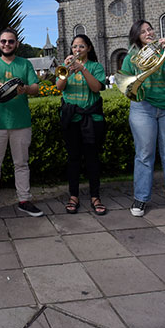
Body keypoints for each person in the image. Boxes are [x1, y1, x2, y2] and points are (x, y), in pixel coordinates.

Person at [120, 21, 165, 219]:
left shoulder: (164, 52)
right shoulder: (131, 57)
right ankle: (141, 198)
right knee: (144, 155)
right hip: (143, 108)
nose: (148, 32)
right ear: (136, 35)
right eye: (143, 31)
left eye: (150, 29)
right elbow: (124, 83)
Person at [0, 28, 42, 218]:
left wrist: (26, 89)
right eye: (3, 41)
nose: (7, 44)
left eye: (11, 41)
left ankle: (24, 199)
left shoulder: (25, 64)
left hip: (21, 122)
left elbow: (36, 88)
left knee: (21, 163)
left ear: (17, 44)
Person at [55, 34, 107, 215]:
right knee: (73, 159)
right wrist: (67, 69)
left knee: (92, 159)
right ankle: (73, 196)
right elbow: (59, 87)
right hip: (72, 119)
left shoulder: (95, 67)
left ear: (89, 49)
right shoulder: (66, 67)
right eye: (75, 46)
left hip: (91, 119)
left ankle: (95, 196)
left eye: (81, 46)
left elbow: (96, 88)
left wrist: (82, 69)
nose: (77, 50)